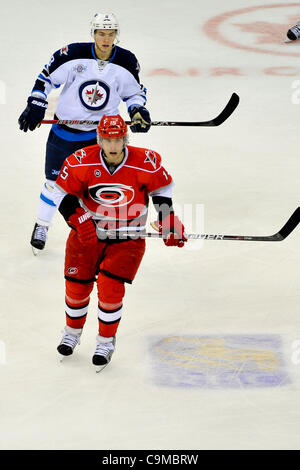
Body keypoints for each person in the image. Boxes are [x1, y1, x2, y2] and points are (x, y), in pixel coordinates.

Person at [52, 114, 187, 368]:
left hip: (128, 237)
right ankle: (71, 334)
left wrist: (167, 220)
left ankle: (105, 341)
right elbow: (61, 194)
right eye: (107, 140)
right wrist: (78, 220)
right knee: (76, 288)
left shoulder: (146, 161)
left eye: (118, 139)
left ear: (125, 138)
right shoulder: (80, 160)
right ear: (99, 139)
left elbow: (161, 190)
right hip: (88, 234)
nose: (113, 146)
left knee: (110, 288)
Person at [18, 13, 151, 252]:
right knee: (54, 182)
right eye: (101, 33)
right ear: (93, 34)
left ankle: (101, 228)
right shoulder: (72, 54)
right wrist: (36, 103)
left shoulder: (126, 61)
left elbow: (134, 93)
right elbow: (45, 79)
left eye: (110, 34)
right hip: (65, 132)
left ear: (116, 35)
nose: (106, 38)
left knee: (97, 185)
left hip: (99, 136)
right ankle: (42, 225)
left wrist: (138, 110)